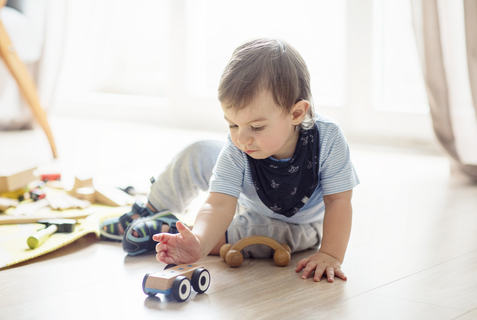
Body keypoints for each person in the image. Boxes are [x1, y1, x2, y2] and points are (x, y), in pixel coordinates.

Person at [101, 38, 359, 282]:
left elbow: (338, 201)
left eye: (256, 127)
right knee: (198, 152)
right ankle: (153, 210)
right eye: (233, 124)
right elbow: (219, 204)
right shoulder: (239, 145)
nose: (242, 139)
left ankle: (173, 233)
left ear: (296, 113)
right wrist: (201, 243)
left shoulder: (328, 138)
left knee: (252, 233)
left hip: (295, 222)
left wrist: (330, 255)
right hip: (248, 194)